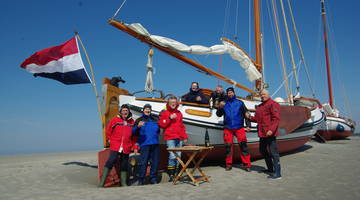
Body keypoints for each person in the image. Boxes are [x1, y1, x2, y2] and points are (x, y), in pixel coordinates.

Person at [98, 104, 138, 187]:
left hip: (126, 146)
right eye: (123, 110)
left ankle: (123, 183)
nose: (125, 112)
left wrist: (135, 146)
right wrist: (109, 140)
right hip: (116, 145)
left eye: (126, 110)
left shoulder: (132, 122)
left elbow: (134, 136)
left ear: (128, 111)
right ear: (120, 111)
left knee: (124, 164)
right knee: (111, 161)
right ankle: (102, 183)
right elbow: (108, 130)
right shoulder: (115, 120)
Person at [248, 89, 281, 179]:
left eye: (264, 94)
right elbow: (257, 119)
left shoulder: (273, 104)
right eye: (261, 95)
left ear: (268, 94)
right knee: (262, 150)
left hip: (270, 133)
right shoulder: (260, 106)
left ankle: (278, 173)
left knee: (273, 152)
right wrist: (250, 117)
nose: (263, 96)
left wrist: (271, 129)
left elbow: (276, 119)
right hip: (262, 133)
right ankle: (270, 169)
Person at [216, 87, 251, 172]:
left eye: (231, 92)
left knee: (243, 146)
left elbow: (246, 114)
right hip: (228, 128)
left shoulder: (240, 103)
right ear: (227, 94)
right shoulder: (224, 103)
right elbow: (218, 115)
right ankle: (228, 164)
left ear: (234, 93)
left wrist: (248, 125)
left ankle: (247, 165)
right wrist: (220, 107)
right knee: (228, 147)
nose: (230, 94)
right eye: (228, 93)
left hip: (239, 127)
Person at [158, 96, 188, 181]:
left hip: (179, 137)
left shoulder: (179, 113)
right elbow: (161, 124)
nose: (173, 104)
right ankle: (171, 175)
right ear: (168, 103)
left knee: (178, 156)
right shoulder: (165, 113)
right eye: (171, 102)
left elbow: (181, 126)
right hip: (170, 137)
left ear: (177, 103)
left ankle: (176, 173)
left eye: (174, 102)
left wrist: (185, 136)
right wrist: (169, 118)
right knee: (172, 156)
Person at [132, 104, 160, 185]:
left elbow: (158, 131)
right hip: (145, 144)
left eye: (149, 109)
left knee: (155, 162)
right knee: (143, 162)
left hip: (155, 144)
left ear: (151, 110)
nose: (147, 110)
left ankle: (153, 178)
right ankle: (141, 179)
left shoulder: (155, 119)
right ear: (143, 110)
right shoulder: (139, 120)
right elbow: (133, 132)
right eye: (146, 109)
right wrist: (138, 126)